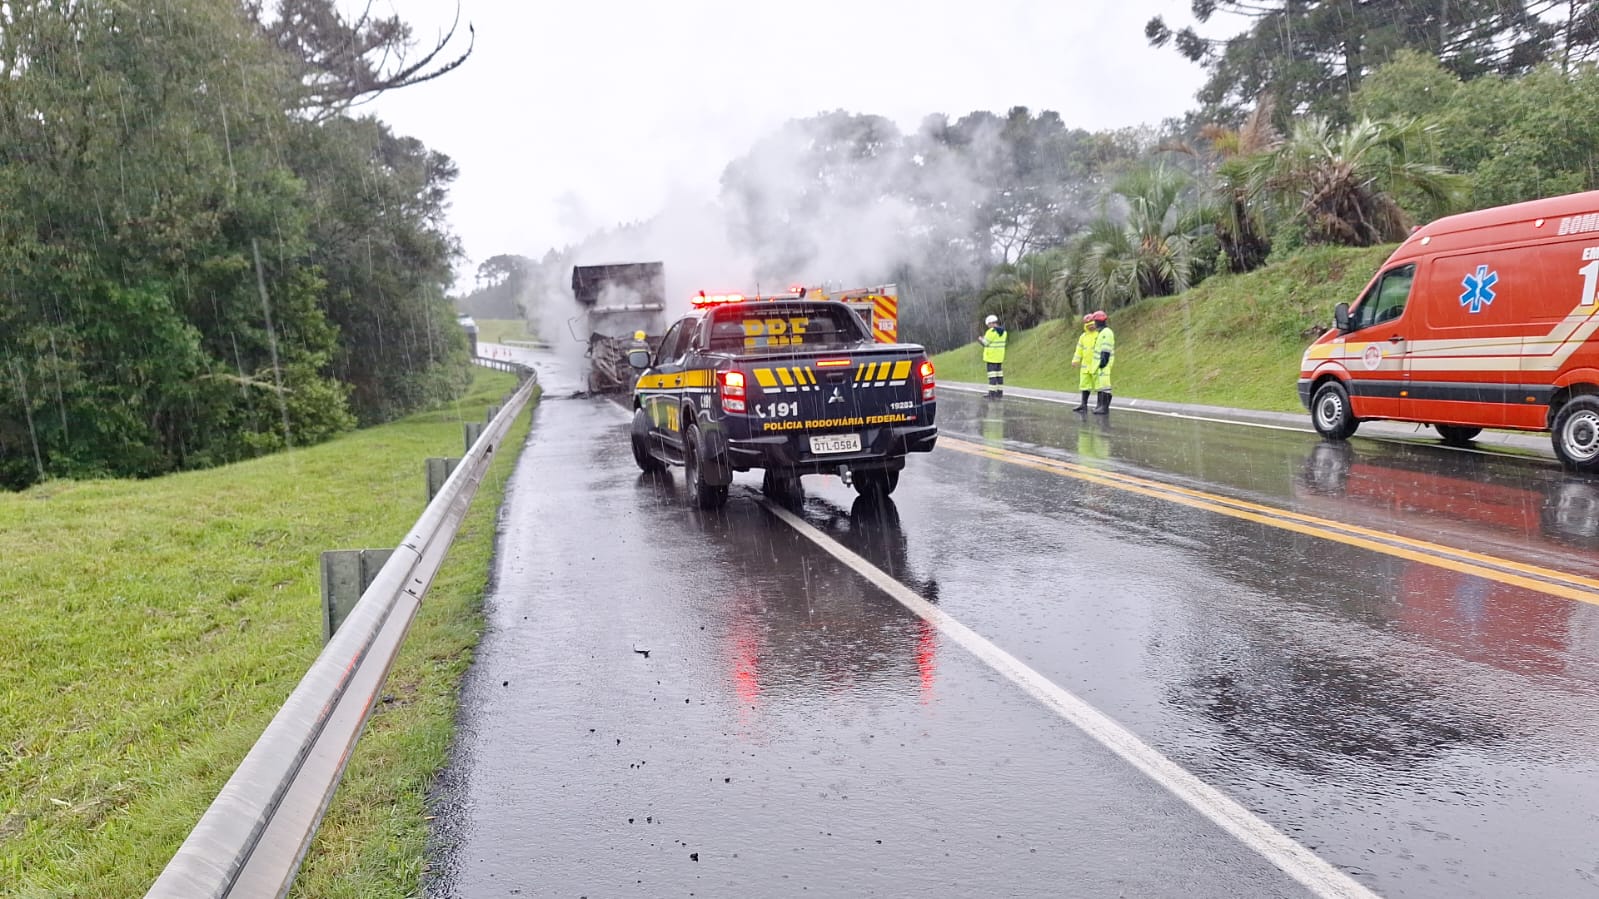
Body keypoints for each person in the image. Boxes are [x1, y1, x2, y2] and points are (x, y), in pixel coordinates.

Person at [1070, 313, 1099, 412]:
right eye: (1088, 325)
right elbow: (1079, 349)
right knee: (1084, 385)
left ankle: (1100, 405)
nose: (1091, 326)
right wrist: (1075, 360)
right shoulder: (1083, 337)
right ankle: (1083, 404)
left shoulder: (1099, 334)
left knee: (1099, 385)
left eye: (1092, 324)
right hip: (1085, 366)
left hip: (1096, 365)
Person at [1089, 310, 1115, 413]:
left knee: (1105, 385)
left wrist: (1103, 361)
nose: (1094, 324)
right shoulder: (1102, 333)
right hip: (1099, 364)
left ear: (1099, 322)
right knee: (1101, 385)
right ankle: (1100, 406)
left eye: (1095, 321)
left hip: (1104, 363)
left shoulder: (1106, 333)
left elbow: (1106, 348)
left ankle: (1104, 407)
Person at [978, 314, 1007, 398]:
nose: (988, 326)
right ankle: (999, 393)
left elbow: (986, 343)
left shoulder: (991, 332)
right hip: (999, 357)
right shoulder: (1004, 332)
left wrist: (981, 339)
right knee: (999, 376)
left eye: (988, 325)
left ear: (991, 323)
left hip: (991, 357)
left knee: (992, 376)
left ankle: (992, 393)